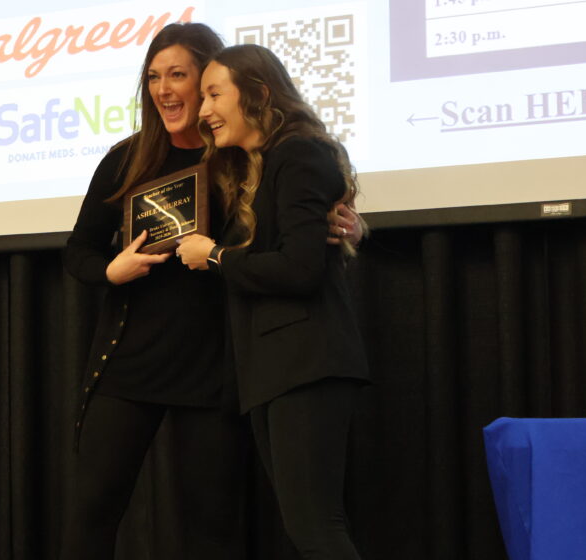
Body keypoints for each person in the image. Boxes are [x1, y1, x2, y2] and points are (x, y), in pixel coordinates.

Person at [61, 23, 362, 559]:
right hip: (133, 359)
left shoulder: (242, 156)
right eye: (154, 76)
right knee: (93, 505)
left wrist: (342, 224)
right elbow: (77, 253)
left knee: (215, 520)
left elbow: (292, 241)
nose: (166, 90)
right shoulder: (126, 159)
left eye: (180, 75)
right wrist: (113, 269)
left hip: (221, 363)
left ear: (210, 83)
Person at [177, 43, 371, 560]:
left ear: (258, 94)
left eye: (214, 94)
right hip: (275, 369)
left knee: (316, 527)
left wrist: (215, 256)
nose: (203, 111)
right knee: (306, 526)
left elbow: (300, 269)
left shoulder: (298, 155)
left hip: (305, 363)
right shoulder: (255, 169)